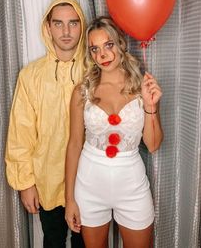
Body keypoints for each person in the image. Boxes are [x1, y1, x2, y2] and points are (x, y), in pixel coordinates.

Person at [65, 16, 163, 248]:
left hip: (132, 185)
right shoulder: (82, 91)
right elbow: (73, 144)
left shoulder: (143, 87)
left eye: (108, 45)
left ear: (120, 44)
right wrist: (70, 200)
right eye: (95, 49)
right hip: (89, 186)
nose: (103, 55)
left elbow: (153, 145)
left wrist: (151, 108)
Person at [5, 0, 86, 248]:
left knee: (88, 244)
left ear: (82, 26)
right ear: (48, 27)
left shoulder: (95, 70)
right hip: (47, 181)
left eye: (73, 23)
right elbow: (21, 133)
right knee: (53, 241)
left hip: (89, 180)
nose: (66, 31)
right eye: (58, 23)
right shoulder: (31, 76)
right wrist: (25, 183)